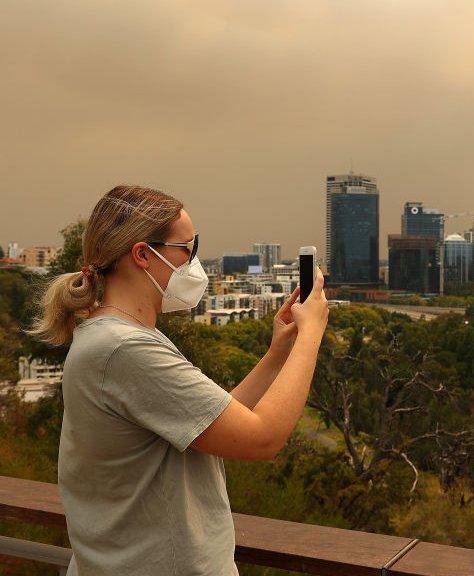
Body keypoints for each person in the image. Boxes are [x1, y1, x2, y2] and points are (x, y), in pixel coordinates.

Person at [29, 185, 330, 575]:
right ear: (142, 254)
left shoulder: (119, 337)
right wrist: (311, 336)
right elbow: (263, 438)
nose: (194, 262)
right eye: (187, 248)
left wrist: (277, 354)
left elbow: (214, 421)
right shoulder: (124, 350)